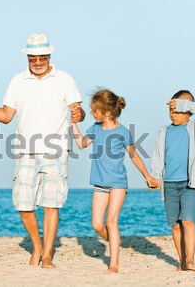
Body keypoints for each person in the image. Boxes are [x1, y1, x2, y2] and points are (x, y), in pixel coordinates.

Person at [0, 33, 85, 269]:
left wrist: (79, 115)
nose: (38, 62)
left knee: (51, 205)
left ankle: (46, 255)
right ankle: (37, 245)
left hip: (56, 151)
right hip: (25, 151)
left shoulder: (65, 79)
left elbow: (77, 110)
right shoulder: (18, 81)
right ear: (27, 57)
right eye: (33, 58)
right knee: (24, 205)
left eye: (42, 57)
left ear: (49, 55)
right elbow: (6, 116)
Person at [71, 89, 159, 274]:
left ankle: (114, 264)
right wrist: (73, 125)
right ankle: (114, 241)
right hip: (100, 183)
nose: (92, 113)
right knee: (97, 224)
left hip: (118, 182)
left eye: (95, 110)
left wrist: (148, 176)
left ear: (108, 112)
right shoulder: (95, 128)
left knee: (111, 221)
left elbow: (134, 156)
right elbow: (81, 144)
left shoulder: (122, 132)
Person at [151, 90, 195, 272]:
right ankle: (182, 261)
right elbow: (157, 157)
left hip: (190, 184)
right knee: (176, 225)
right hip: (169, 184)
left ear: (189, 111)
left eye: (178, 110)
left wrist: (183, 104)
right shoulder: (164, 131)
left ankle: (191, 259)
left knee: (188, 221)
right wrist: (155, 176)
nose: (173, 114)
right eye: (171, 110)